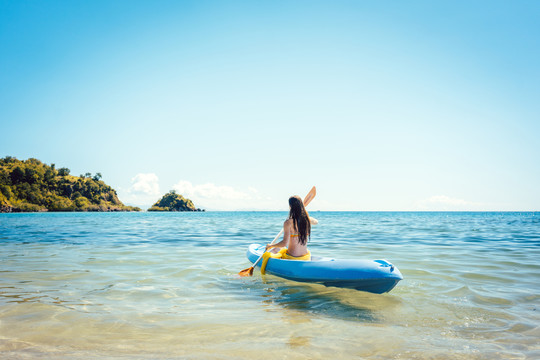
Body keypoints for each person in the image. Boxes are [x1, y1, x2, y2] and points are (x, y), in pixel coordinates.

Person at [265, 195, 318, 261]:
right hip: (306, 257)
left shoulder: (288, 222)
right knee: (281, 248)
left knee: (276, 249)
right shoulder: (307, 220)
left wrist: (271, 245)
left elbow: (284, 243)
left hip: (292, 257)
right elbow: (316, 222)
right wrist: (305, 213)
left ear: (290, 206)